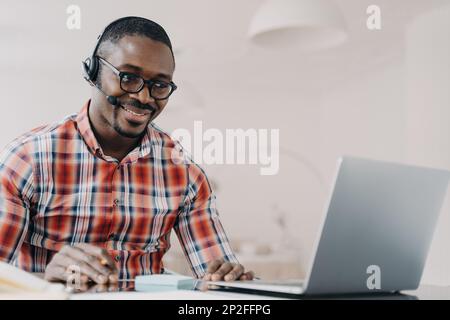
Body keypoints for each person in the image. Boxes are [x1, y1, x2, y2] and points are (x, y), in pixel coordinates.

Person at [0, 16, 254, 285]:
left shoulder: (185, 173)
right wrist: (45, 279)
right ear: (93, 71)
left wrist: (228, 280)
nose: (144, 97)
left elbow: (216, 276)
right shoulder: (27, 159)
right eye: (128, 78)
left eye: (159, 85)